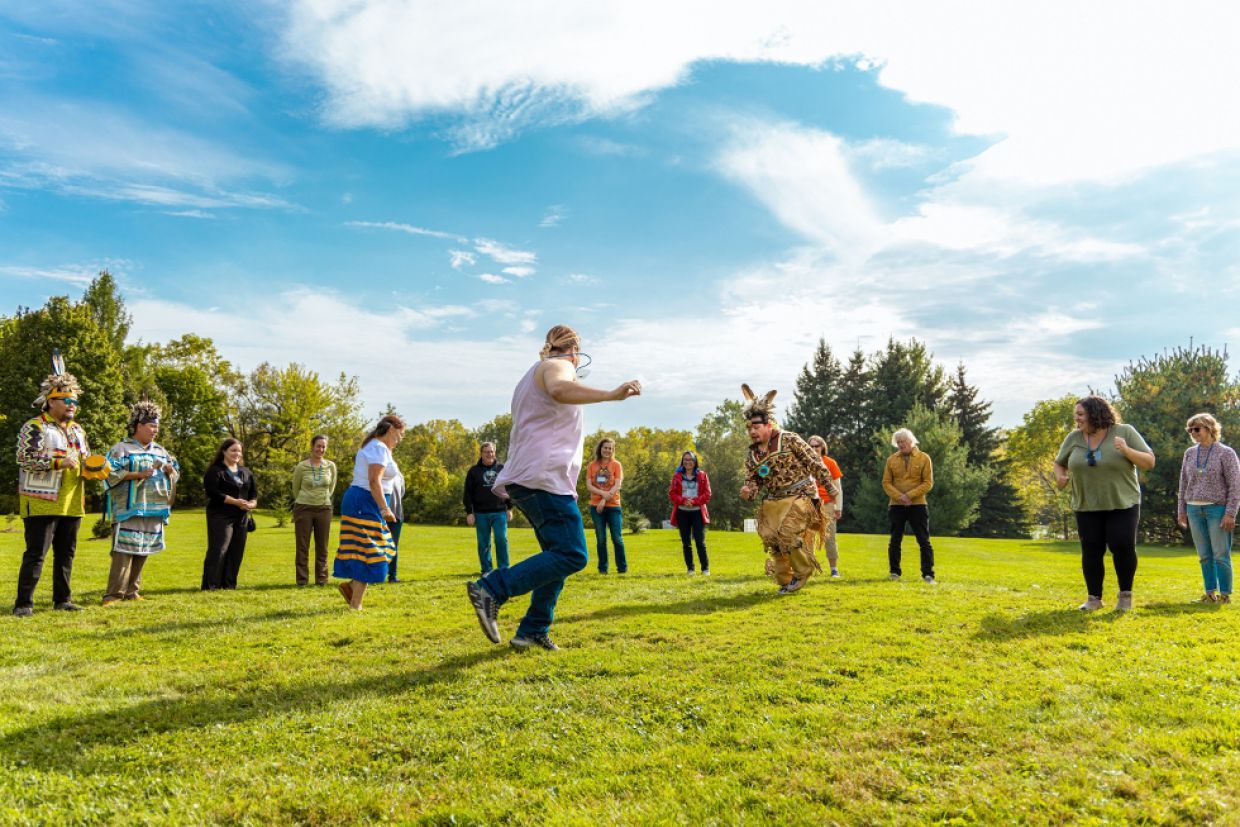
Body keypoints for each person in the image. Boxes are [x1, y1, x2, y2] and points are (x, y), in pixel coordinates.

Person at [466, 325, 641, 651]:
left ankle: (533, 628)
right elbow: (561, 389)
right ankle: (493, 588)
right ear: (574, 350)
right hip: (542, 478)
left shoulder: (530, 375)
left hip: (533, 478)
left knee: (556, 555)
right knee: (573, 553)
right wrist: (611, 395)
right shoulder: (557, 366)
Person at [13, 355, 100, 616]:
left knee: (66, 553)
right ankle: (24, 603)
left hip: (72, 500)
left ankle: (63, 599)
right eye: (67, 400)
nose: (72, 404)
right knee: (37, 554)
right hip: (41, 500)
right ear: (51, 401)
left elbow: (84, 459)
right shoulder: (34, 427)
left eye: (75, 400)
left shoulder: (78, 430)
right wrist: (59, 462)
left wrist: (95, 469)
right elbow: (24, 458)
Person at [1054, 395, 1155, 612]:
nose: (1077, 419)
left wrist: (1127, 450)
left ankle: (1125, 597)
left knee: (1122, 546)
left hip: (1123, 503)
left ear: (1095, 413)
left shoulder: (1124, 432)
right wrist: (1060, 477)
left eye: (1080, 414)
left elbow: (1149, 461)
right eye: (1076, 415)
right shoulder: (1073, 438)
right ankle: (1094, 599)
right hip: (1086, 504)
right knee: (1091, 550)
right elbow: (1059, 462)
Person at [738, 385, 837, 594]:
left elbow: (814, 462)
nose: (752, 432)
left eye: (756, 428)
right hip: (774, 501)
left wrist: (830, 487)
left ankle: (803, 571)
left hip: (802, 495)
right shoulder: (752, 456)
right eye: (749, 429)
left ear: (768, 425)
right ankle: (785, 580)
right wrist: (749, 491)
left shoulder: (789, 439)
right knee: (773, 541)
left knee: (787, 535)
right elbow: (754, 481)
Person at [102, 401, 179, 605]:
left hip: (154, 509)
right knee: (123, 550)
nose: (155, 430)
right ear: (138, 425)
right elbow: (108, 473)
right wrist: (137, 474)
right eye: (151, 426)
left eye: (157, 427)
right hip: (130, 508)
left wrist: (171, 472)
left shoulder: (161, 451)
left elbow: (176, 474)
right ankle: (114, 594)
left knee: (143, 548)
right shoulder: (122, 449)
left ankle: (132, 591)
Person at [333, 415, 404, 609]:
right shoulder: (377, 448)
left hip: (366, 501)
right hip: (364, 502)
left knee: (379, 549)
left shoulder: (380, 448)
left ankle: (352, 589)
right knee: (371, 552)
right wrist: (384, 507)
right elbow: (374, 481)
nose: (400, 439)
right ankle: (355, 604)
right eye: (400, 434)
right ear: (391, 430)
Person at [1176, 413, 1239, 604]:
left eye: (1197, 429)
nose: (1193, 433)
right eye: (1190, 430)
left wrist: (1230, 513)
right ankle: (1209, 594)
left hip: (1217, 510)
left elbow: (1235, 485)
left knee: (1220, 554)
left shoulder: (1226, 453)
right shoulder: (1189, 453)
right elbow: (1183, 483)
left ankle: (1225, 595)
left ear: (1210, 429)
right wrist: (1182, 510)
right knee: (1204, 556)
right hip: (1194, 509)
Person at [202, 438, 257, 590]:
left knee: (236, 551)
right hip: (220, 516)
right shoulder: (215, 471)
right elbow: (213, 493)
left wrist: (251, 504)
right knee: (219, 549)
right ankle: (211, 585)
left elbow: (253, 494)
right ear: (224, 451)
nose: (237, 453)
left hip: (242, 517)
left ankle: (229, 584)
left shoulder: (246, 472)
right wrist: (235, 502)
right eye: (233, 450)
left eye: (239, 451)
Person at [882, 429, 936, 583]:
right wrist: (900, 497)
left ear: (911, 441)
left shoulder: (924, 458)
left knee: (924, 541)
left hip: (918, 505)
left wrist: (909, 496)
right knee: (895, 540)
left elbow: (928, 483)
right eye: (898, 442)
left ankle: (928, 574)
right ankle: (894, 572)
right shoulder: (891, 460)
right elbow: (886, 483)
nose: (900, 445)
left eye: (903, 442)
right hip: (896, 506)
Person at [291, 434, 337, 587]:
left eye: (323, 446)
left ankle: (321, 580)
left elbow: (331, 488)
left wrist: (322, 500)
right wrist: (306, 500)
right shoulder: (301, 466)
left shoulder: (331, 466)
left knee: (322, 546)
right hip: (303, 508)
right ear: (312, 447)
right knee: (302, 546)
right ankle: (302, 580)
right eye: (318, 446)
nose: (321, 449)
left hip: (324, 508)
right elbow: (295, 489)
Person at [463, 441, 512, 575]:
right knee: (483, 543)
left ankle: (504, 569)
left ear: (494, 453)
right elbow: (468, 493)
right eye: (486, 452)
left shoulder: (502, 469)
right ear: (481, 454)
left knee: (501, 539)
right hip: (480, 513)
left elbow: (509, 488)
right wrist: (469, 512)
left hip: (500, 511)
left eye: (491, 452)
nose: (489, 454)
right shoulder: (474, 471)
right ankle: (487, 569)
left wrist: (509, 508)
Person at [586, 438, 627, 574]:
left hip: (613, 506)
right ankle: (602, 569)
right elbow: (589, 485)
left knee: (617, 538)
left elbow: (617, 485)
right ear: (600, 449)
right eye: (605, 447)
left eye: (610, 448)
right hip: (595, 507)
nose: (608, 450)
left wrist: (603, 499)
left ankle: (622, 568)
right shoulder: (592, 465)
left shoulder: (616, 465)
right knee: (601, 539)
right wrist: (603, 495)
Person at [807, 435, 844, 579]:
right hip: (809, 503)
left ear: (822, 447)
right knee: (808, 537)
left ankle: (834, 569)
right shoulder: (804, 463)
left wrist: (838, 507)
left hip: (827, 504)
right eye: (811, 446)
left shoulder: (830, 463)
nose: (814, 448)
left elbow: (838, 487)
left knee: (830, 537)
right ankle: (809, 567)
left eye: (817, 446)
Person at [669, 451, 712, 575]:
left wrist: (694, 502)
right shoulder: (677, 476)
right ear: (682, 462)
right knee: (686, 543)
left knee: (700, 541)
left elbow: (707, 495)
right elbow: (672, 494)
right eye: (685, 460)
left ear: (695, 462)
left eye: (690, 460)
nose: (688, 462)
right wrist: (683, 501)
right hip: (682, 513)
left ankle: (705, 569)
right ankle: (691, 569)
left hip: (698, 512)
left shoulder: (702, 475)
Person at [386, 469, 406, 583]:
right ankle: (373, 575)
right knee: (375, 545)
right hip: (380, 515)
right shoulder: (378, 471)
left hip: (396, 515)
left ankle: (392, 576)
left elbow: (402, 492)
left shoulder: (399, 474)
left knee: (393, 546)